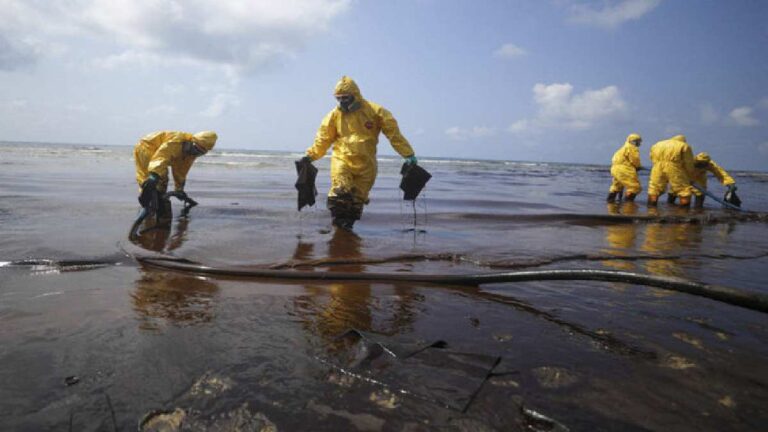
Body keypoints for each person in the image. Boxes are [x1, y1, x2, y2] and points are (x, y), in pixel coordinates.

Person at [299, 76, 418, 230]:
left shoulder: (376, 112)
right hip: (342, 158)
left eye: (346, 98)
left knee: (357, 200)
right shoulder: (334, 116)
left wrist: (408, 154)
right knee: (340, 192)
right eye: (339, 98)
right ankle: (337, 224)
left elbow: (393, 134)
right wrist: (311, 155)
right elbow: (323, 138)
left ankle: (346, 230)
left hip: (367, 164)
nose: (342, 102)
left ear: (355, 95)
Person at [134, 130, 217, 219]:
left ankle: (156, 206)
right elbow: (161, 157)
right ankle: (146, 205)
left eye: (199, 152)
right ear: (191, 141)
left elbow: (181, 171)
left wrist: (179, 188)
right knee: (149, 179)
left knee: (162, 184)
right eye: (195, 148)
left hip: (159, 156)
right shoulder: (176, 141)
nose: (195, 152)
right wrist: (154, 175)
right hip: (147, 148)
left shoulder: (191, 154)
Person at [647, 135, 695, 207]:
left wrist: (658, 164)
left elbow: (651, 157)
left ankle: (651, 210)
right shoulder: (684, 146)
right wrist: (690, 175)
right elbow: (689, 162)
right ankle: (684, 213)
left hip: (657, 167)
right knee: (683, 190)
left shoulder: (657, 144)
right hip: (674, 167)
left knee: (654, 188)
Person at [607, 133, 643, 202]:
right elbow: (635, 159)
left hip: (614, 169)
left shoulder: (622, 149)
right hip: (625, 169)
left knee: (616, 186)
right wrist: (638, 167)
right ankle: (627, 205)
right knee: (635, 187)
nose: (639, 143)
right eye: (638, 141)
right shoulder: (632, 147)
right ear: (634, 141)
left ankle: (610, 202)